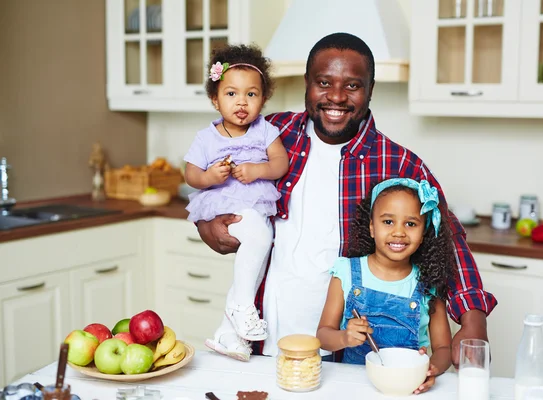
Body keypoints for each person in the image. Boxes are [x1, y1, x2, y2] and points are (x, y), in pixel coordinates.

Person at [197, 32, 497, 367]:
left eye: (353, 86)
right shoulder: (271, 135)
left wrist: (472, 320)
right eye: (324, 82)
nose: (336, 96)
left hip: (348, 343)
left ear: (370, 91)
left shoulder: (397, 163)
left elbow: (447, 235)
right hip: (265, 327)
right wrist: (205, 222)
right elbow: (212, 169)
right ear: (307, 84)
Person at [183, 44, 289, 360]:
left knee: (256, 258)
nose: (241, 102)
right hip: (222, 205)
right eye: (231, 94)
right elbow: (191, 173)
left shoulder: (266, 131)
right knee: (260, 240)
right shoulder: (206, 137)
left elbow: (280, 164)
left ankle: (227, 333)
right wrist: (211, 177)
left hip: (254, 200)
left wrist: (259, 170)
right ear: (215, 99)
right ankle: (242, 307)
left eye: (251, 94)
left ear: (264, 98)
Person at [317, 178, 454, 393]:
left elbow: (444, 347)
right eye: (388, 222)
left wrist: (431, 369)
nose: (399, 232)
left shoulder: (429, 283)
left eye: (411, 223)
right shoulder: (346, 272)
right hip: (352, 388)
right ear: (372, 227)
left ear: (424, 232)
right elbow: (323, 337)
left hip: (408, 388)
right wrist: (344, 337)